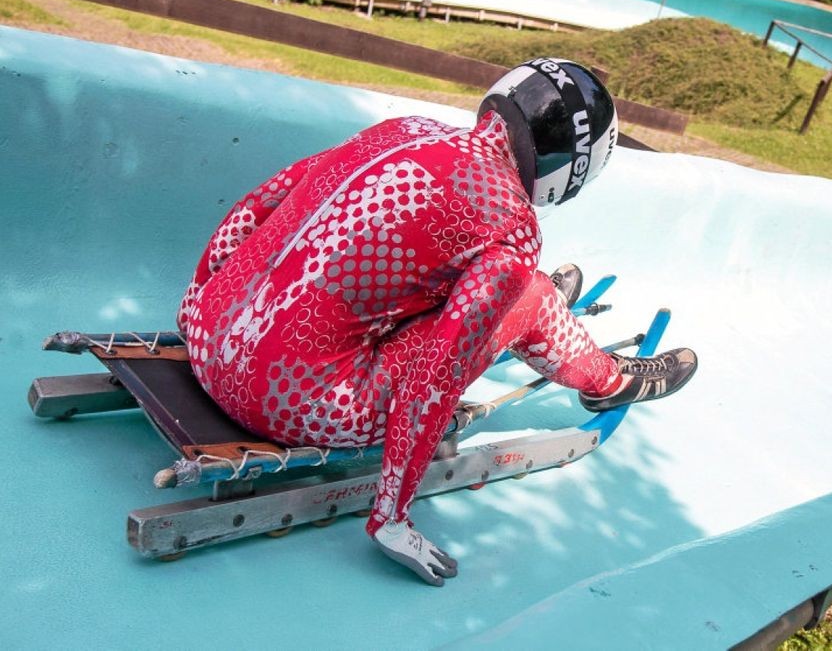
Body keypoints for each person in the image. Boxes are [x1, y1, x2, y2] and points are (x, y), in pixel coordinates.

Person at [176, 58, 698, 586]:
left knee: (458, 273)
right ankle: (605, 379)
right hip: (287, 400)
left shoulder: (404, 129)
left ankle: (507, 307)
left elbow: (254, 206)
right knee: (531, 291)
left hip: (207, 330)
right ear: (574, 166)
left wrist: (201, 299)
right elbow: (436, 374)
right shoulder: (513, 227)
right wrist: (392, 516)